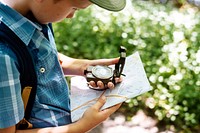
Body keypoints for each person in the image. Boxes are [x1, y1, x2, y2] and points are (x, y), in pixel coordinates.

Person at [0, 0, 126, 132]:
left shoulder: (34, 17)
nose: (71, 15)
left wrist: (84, 66)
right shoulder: (3, 57)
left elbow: (41, 56)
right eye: (74, 8)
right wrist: (81, 126)